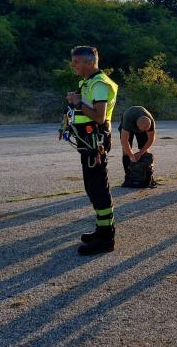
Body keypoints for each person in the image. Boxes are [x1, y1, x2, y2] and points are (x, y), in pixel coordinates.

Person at [66, 46, 119, 255]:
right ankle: (102, 229)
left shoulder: (99, 84)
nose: (73, 65)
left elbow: (99, 116)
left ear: (90, 62)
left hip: (94, 144)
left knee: (98, 188)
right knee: (92, 187)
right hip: (87, 144)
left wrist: (78, 102)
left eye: (77, 61)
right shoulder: (88, 82)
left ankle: (106, 238)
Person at [119, 105, 156, 187]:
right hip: (128, 119)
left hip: (142, 123)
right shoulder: (128, 122)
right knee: (126, 152)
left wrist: (141, 153)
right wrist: (131, 156)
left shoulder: (150, 122)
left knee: (145, 151)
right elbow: (124, 141)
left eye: (147, 129)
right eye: (144, 130)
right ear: (138, 126)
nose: (146, 131)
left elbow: (151, 139)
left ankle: (147, 177)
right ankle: (128, 178)